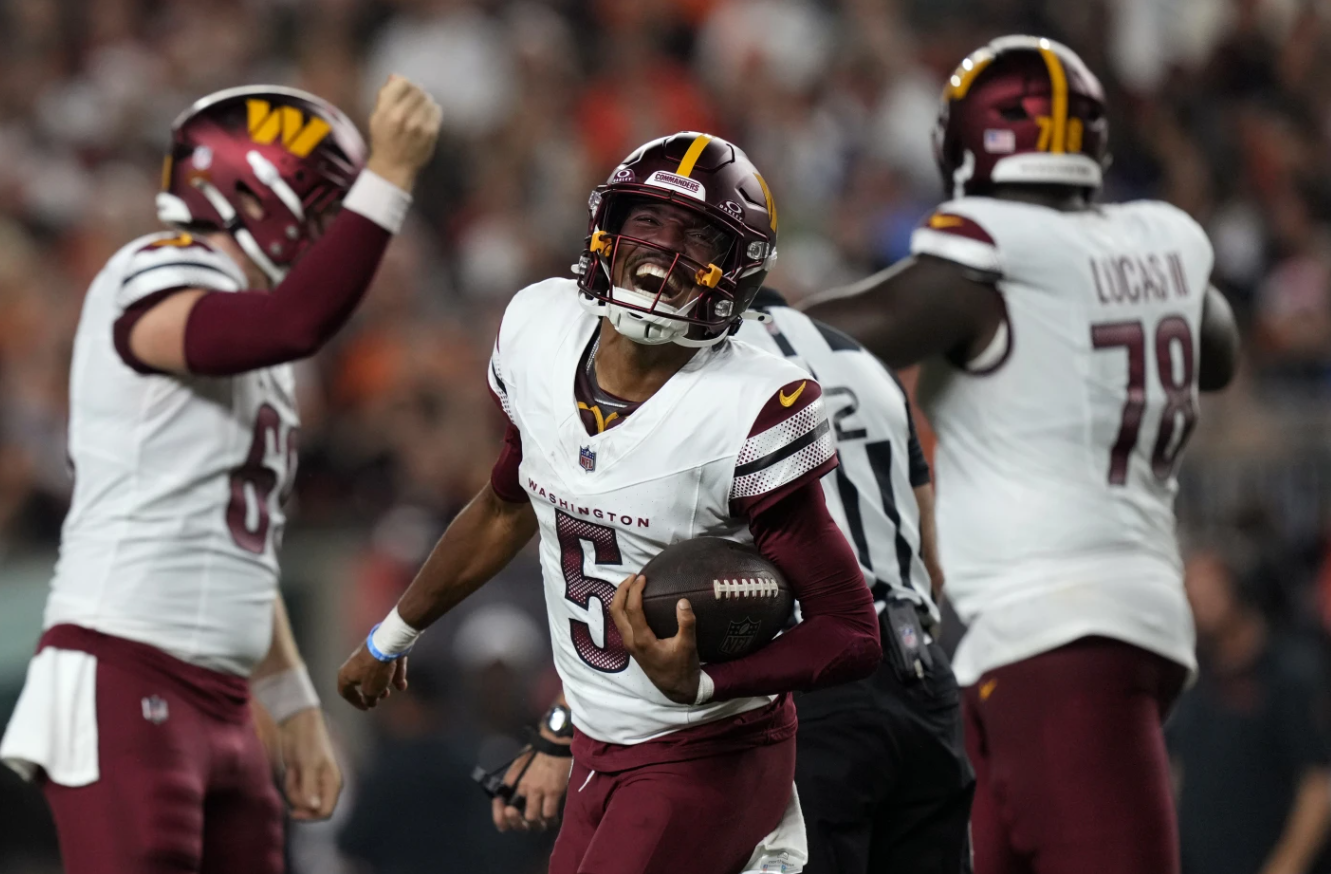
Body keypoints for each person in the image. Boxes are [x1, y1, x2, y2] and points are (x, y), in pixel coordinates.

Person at [337, 131, 882, 874]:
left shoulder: (753, 402)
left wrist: (706, 681)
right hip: (601, 745)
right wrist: (394, 635)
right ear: (608, 228)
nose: (666, 249)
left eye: (698, 235)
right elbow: (506, 506)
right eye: (649, 222)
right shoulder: (541, 328)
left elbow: (850, 632)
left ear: (739, 268)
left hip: (707, 752)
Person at [804, 35, 1241, 874]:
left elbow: (831, 335)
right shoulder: (1163, 244)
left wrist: (724, 329)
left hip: (1058, 631)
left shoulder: (988, 257)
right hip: (1088, 622)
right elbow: (1214, 347)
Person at [0, 78, 442, 874]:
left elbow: (235, 547)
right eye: (322, 206)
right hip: (125, 665)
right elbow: (293, 321)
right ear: (256, 187)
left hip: (226, 699)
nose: (326, 232)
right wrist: (391, 178)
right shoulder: (154, 266)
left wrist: (292, 702)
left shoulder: (256, 353)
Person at [489, 288, 974, 874]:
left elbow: (644, 591)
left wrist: (558, 731)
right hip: (923, 683)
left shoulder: (707, 377)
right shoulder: (865, 364)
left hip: (809, 678)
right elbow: (931, 559)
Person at [1169, 548, 1331, 874]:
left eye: (1209, 594)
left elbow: (1319, 782)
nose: (1199, 606)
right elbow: (1175, 770)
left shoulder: (1290, 671)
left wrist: (1287, 866)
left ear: (1239, 591)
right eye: (1191, 597)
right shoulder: (1192, 678)